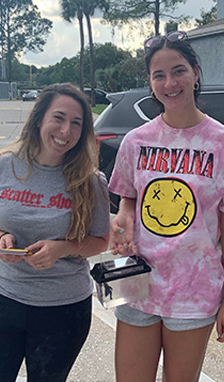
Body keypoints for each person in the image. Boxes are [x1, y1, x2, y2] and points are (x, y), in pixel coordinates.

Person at [109, 30, 224, 382]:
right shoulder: (136, 141)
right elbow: (127, 200)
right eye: (158, 75)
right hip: (134, 280)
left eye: (178, 71)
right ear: (149, 82)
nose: (169, 82)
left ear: (195, 72)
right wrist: (124, 217)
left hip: (195, 288)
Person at [0, 83, 110, 382]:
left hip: (63, 310)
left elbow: (102, 241)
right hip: (5, 298)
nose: (66, 130)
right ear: (38, 120)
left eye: (77, 123)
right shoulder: (5, 166)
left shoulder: (92, 182)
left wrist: (62, 248)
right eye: (58, 118)